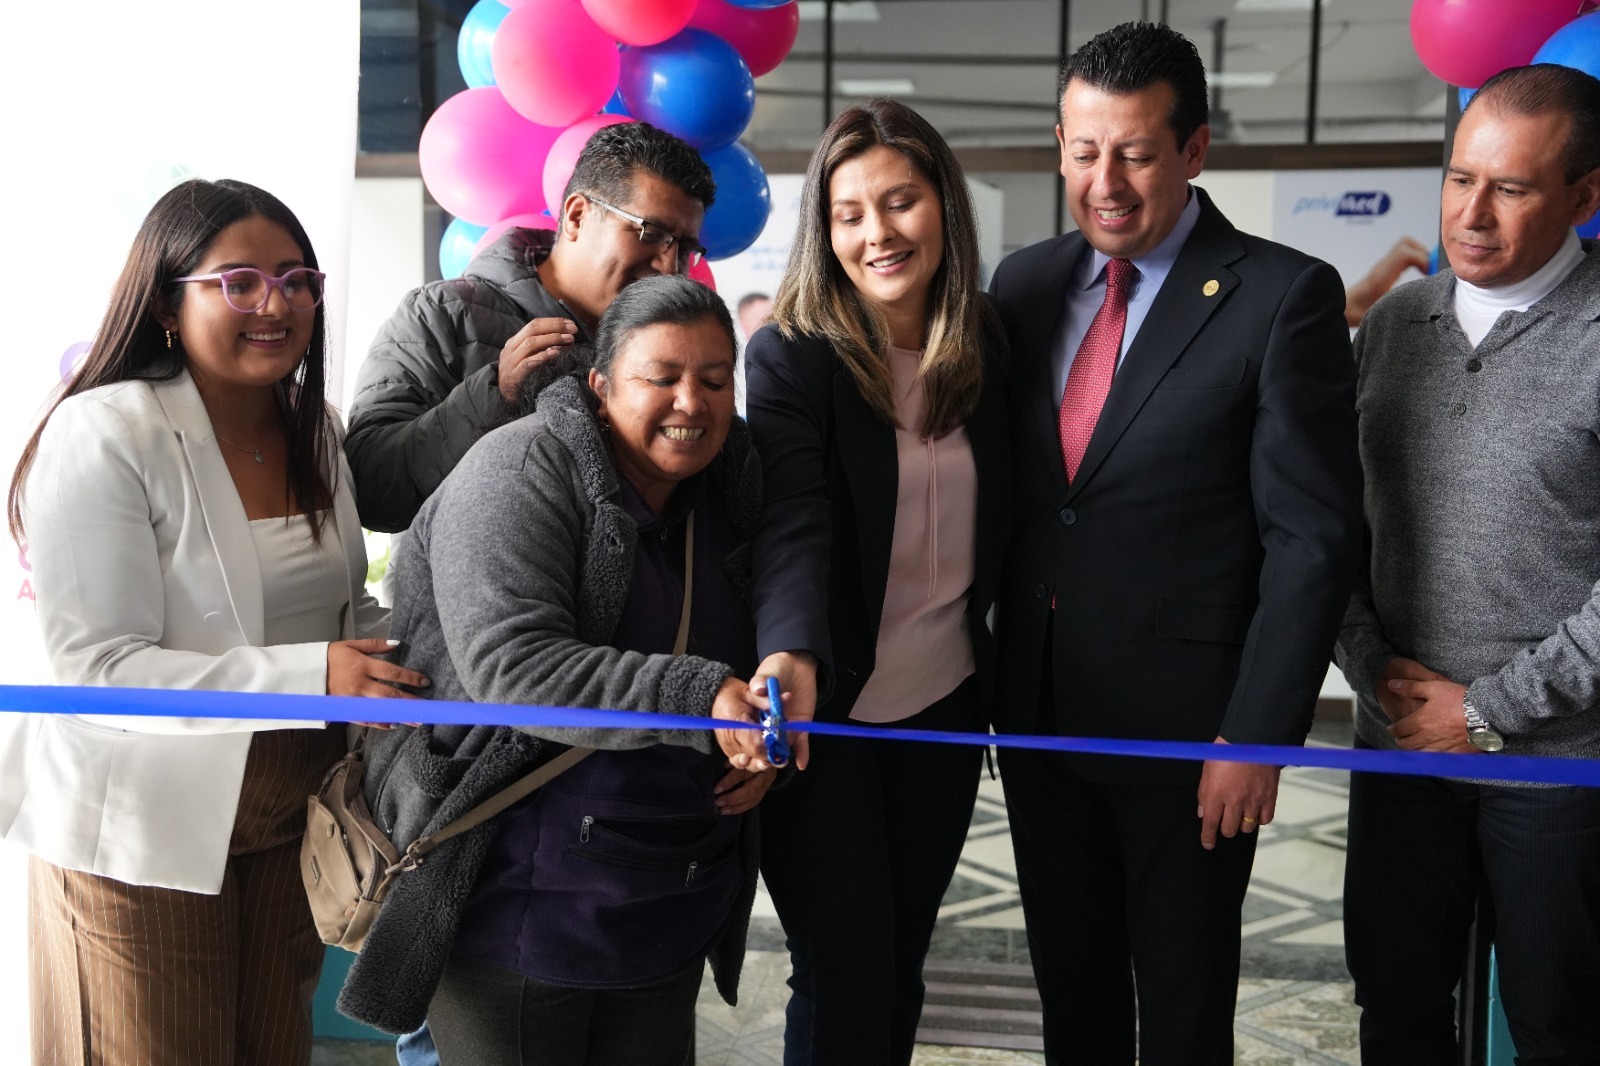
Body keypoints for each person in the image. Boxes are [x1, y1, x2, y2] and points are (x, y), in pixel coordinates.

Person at [986, 22, 1363, 1064]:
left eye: (1136, 153)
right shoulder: (1019, 286)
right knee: (1074, 995)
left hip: (1192, 738)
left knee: (1185, 1007)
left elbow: (1311, 539)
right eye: (1080, 150)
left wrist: (1256, 735)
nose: (1103, 182)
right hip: (1041, 718)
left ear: (1194, 151)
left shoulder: (1281, 296)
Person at [0, 178, 421, 1065]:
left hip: (287, 825)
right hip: (138, 840)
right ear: (164, 302)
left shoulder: (316, 430)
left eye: (298, 279)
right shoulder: (103, 433)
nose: (278, 303)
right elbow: (99, 669)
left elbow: (343, 614)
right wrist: (317, 675)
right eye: (240, 282)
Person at [335, 275, 778, 1066]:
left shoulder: (731, 488)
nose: (692, 402)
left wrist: (755, 742)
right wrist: (698, 695)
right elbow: (514, 666)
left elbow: (762, 645)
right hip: (521, 908)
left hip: (670, 897)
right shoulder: (516, 469)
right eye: (662, 378)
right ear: (601, 385)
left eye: (715, 380)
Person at [1336, 63, 1600, 1065]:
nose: (1471, 213)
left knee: (1557, 1024)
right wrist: (1370, 669)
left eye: (1512, 187)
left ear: (1584, 195)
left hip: (1556, 768)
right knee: (1395, 1009)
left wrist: (1487, 710)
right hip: (1396, 745)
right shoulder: (1396, 326)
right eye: (1458, 179)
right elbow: (1342, 525)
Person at [744, 98, 1011, 1065]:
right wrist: (789, 649)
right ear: (825, 232)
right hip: (831, 712)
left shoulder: (989, 340)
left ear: (944, 203)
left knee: (902, 961)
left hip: (943, 706)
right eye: (849, 213)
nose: (877, 232)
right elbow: (793, 521)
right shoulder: (792, 355)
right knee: (842, 966)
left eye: (899, 201)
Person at [346, 121, 715, 533]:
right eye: (651, 233)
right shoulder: (443, 313)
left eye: (684, 248)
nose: (668, 267)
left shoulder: (671, 344)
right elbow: (370, 487)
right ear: (577, 216)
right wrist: (495, 395)